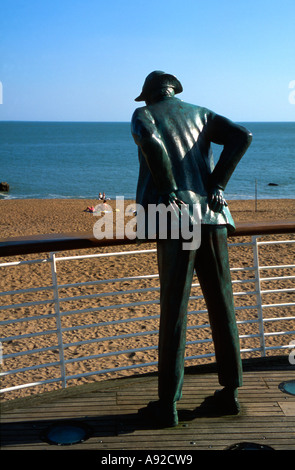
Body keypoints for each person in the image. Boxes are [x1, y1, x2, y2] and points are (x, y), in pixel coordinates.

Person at [131, 71, 252, 427]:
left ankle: (168, 404)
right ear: (174, 92)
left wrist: (167, 187)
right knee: (222, 304)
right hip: (212, 217)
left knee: (174, 311)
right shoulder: (201, 113)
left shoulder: (145, 114)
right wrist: (217, 183)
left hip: (174, 219)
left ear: (150, 95)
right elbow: (242, 136)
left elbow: (151, 142)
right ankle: (230, 393)